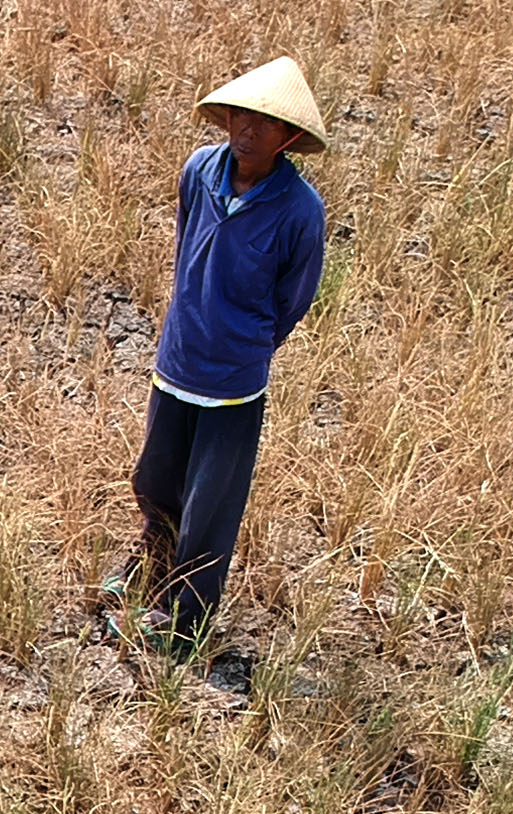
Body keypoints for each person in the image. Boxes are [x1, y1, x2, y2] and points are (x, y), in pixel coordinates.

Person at [116, 58, 331, 668]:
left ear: (288, 139)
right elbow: (186, 248)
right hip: (177, 359)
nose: (246, 128)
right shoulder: (198, 171)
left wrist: (247, 342)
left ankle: (186, 624)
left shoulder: (299, 211)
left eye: (264, 122)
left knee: (211, 506)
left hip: (234, 382)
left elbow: (293, 299)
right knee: (156, 481)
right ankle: (148, 576)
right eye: (240, 114)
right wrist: (194, 318)